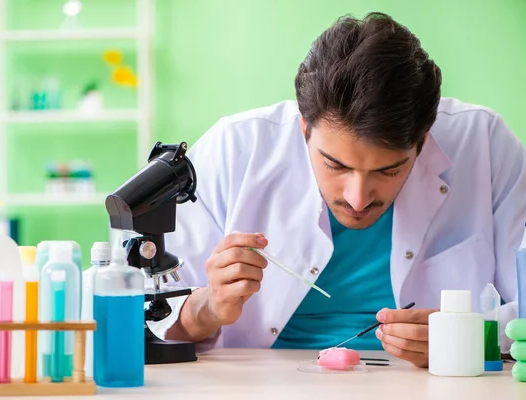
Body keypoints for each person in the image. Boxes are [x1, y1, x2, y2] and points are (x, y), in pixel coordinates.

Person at [147, 12, 526, 368]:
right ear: (304, 129)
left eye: (389, 169)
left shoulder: (484, 144)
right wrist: (209, 308)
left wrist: (467, 339)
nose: (358, 198)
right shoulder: (233, 150)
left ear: (423, 142)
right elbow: (149, 323)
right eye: (335, 165)